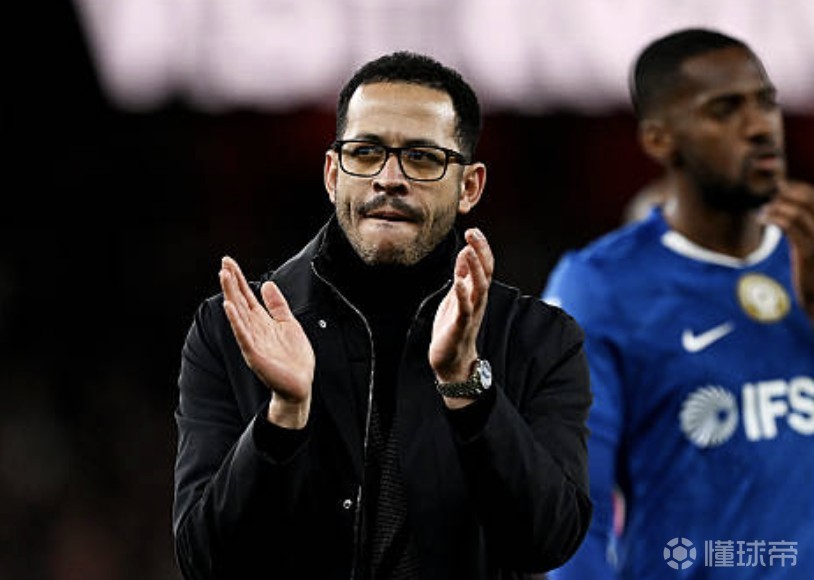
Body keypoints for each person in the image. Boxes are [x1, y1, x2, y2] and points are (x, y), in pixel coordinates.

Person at [172, 50, 593, 580]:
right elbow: (204, 561)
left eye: (422, 157)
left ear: (469, 187)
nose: (389, 178)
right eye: (366, 152)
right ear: (333, 174)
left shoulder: (541, 338)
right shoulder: (231, 329)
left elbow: (549, 540)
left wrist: (466, 385)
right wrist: (283, 416)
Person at [542, 28, 814, 579]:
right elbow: (576, 510)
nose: (760, 126)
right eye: (725, 110)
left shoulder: (806, 251)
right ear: (659, 140)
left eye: (765, 103)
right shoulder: (600, 286)